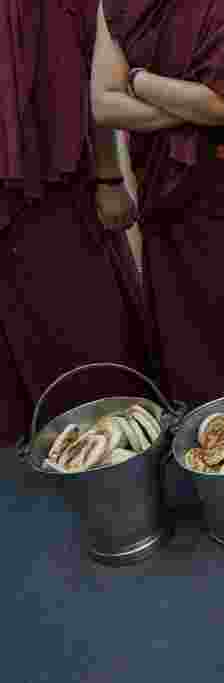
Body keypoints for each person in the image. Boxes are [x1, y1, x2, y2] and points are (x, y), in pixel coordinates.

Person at [92, 0, 224, 408]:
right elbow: (103, 104)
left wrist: (137, 80)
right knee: (184, 336)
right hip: (165, 199)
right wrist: (192, 106)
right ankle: (200, 452)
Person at [0, 0, 150, 446]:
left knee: (90, 329)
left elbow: (92, 74)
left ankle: (119, 455)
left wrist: (108, 177)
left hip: (56, 186)